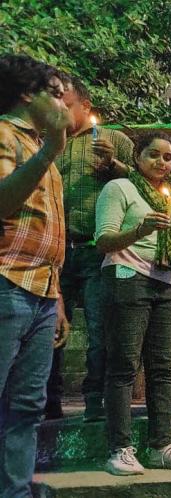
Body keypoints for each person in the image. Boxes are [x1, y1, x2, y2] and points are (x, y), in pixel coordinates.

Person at [95, 132, 171, 475]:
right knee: (124, 364)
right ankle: (120, 449)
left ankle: (161, 446)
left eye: (168, 157)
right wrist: (140, 231)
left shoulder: (170, 200)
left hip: (166, 284)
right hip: (127, 277)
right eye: (153, 154)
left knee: (163, 369)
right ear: (137, 156)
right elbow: (104, 240)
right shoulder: (120, 188)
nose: (161, 162)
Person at [0, 53, 71, 496]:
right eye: (56, 94)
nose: (65, 106)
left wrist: (56, 298)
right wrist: (48, 152)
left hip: (41, 292)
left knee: (27, 405)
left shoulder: (45, 148)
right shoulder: (5, 136)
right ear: (28, 94)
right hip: (7, 281)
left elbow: (48, 234)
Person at [46, 77, 135, 422]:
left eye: (67, 104)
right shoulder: (51, 142)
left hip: (97, 249)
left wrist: (114, 167)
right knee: (49, 329)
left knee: (100, 330)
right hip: (56, 251)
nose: (60, 110)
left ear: (86, 106)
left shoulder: (115, 140)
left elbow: (144, 183)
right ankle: (49, 401)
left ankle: (95, 399)